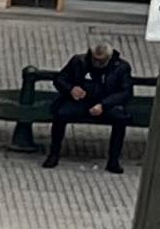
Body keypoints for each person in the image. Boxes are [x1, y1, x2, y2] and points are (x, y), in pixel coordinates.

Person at [45, 38, 136, 173]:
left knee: (120, 119)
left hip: (106, 103)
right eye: (95, 60)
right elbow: (60, 79)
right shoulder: (78, 61)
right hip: (80, 101)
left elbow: (126, 92)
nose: (98, 63)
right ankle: (54, 154)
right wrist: (71, 89)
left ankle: (113, 160)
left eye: (102, 61)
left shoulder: (121, 67)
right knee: (61, 114)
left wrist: (104, 105)